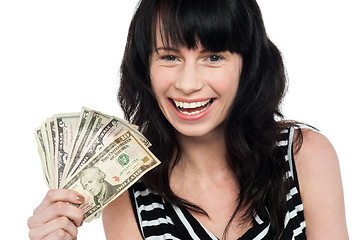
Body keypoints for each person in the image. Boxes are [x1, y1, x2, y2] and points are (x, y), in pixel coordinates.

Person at [27, 0, 349, 239]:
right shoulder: (128, 192)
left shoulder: (304, 157)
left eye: (213, 57)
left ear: (246, 65)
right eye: (169, 56)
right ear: (145, 67)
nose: (188, 83)